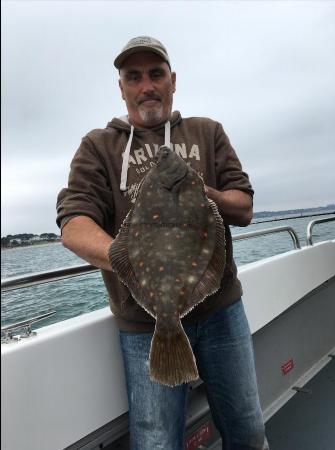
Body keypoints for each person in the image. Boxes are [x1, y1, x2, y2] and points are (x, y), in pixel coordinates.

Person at [56, 36, 269, 450]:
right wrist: (127, 258)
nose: (146, 85)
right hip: (144, 324)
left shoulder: (207, 133)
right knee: (155, 442)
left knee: (248, 428)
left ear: (173, 80)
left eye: (156, 74)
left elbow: (243, 207)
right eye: (133, 77)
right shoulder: (98, 147)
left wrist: (205, 194)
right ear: (121, 87)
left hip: (221, 310)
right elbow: (73, 223)